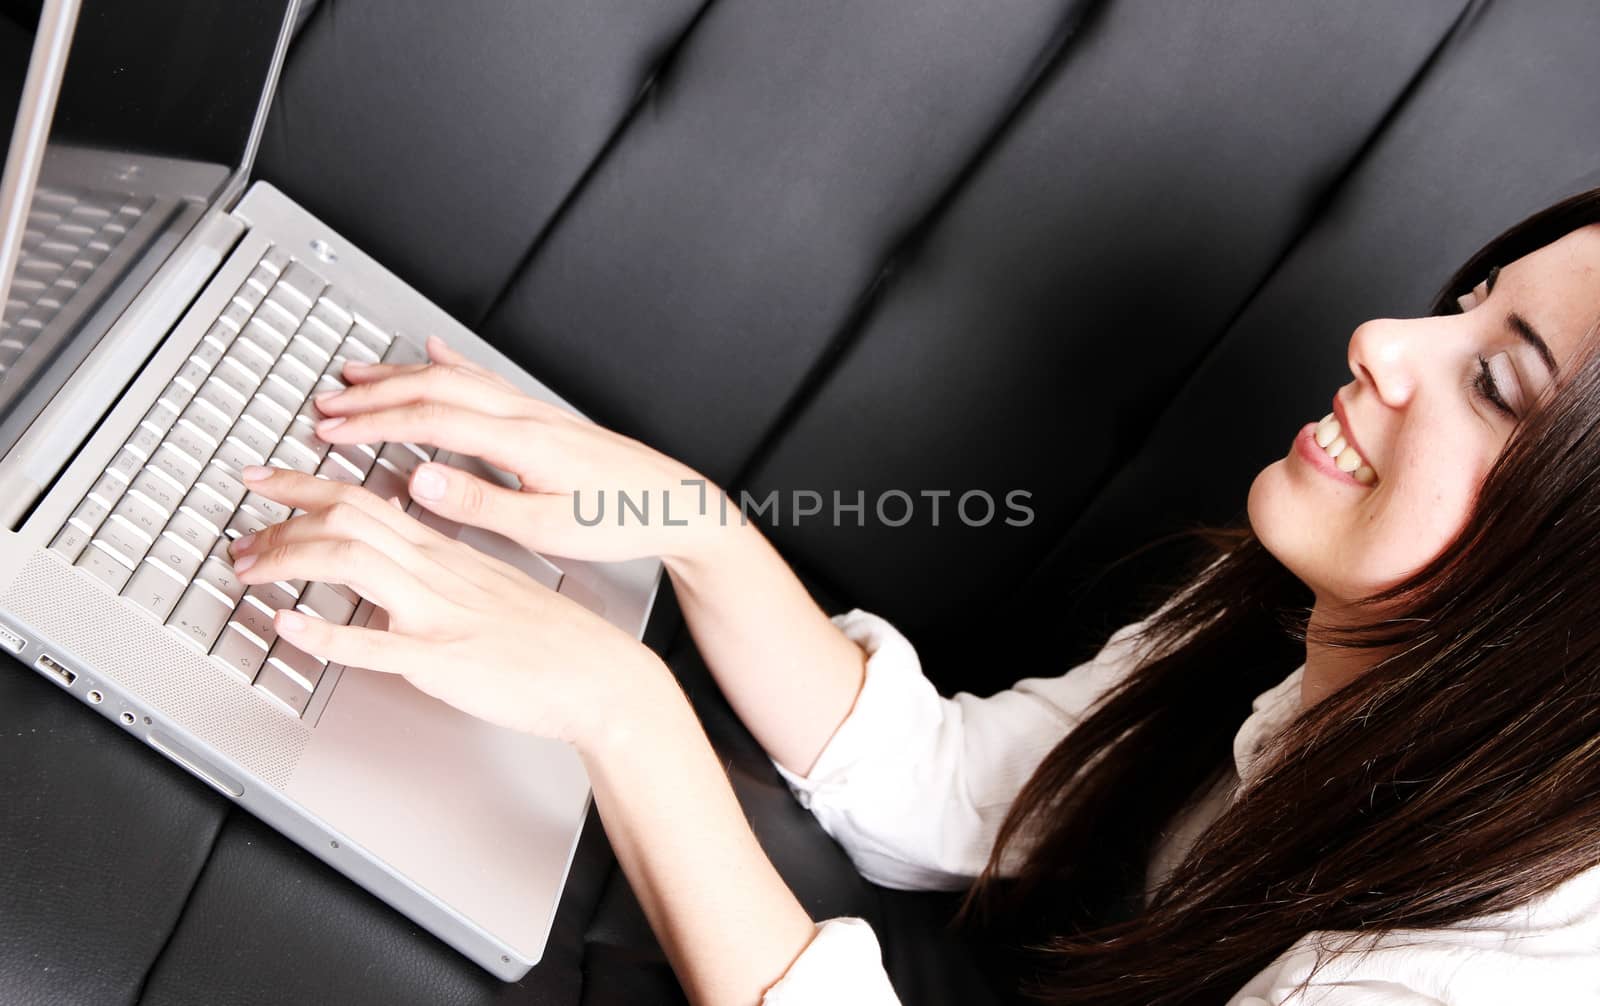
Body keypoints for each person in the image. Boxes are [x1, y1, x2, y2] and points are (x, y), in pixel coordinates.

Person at [222, 184, 1600, 1005]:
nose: (1386, 339)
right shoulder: (1292, 623)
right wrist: (689, 523)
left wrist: (621, 706)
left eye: (1497, 380)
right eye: (1470, 297)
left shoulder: (1480, 972)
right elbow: (963, 793)